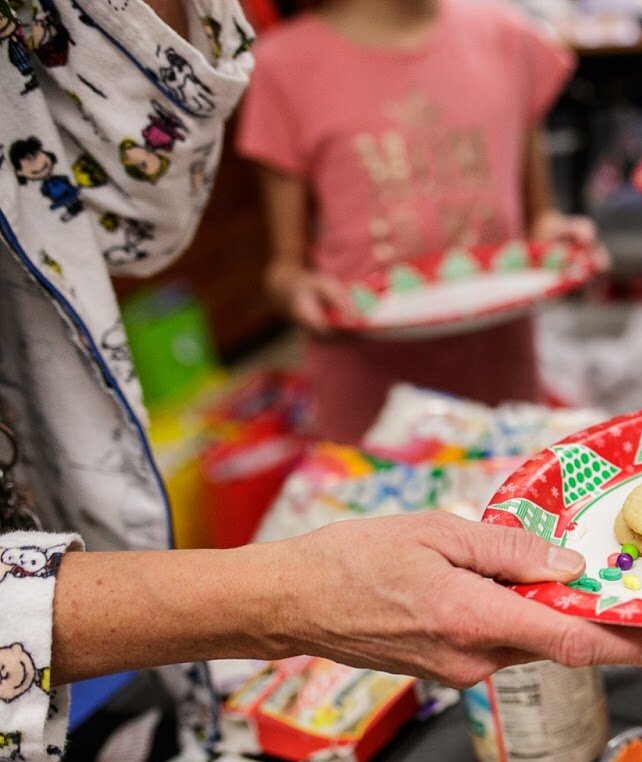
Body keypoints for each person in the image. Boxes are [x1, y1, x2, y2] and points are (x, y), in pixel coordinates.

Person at [0, 0, 642, 762]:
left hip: (503, 393)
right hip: (370, 425)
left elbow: (135, 208)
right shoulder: (292, 66)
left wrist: (555, 243)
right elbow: (274, 263)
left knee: (513, 647)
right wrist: (284, 602)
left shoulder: (509, 43)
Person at [236, 0, 599, 443]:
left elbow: (538, 214)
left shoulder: (508, 35)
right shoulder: (283, 66)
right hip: (371, 397)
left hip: (499, 380)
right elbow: (284, 267)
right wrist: (296, 289)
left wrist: (555, 240)